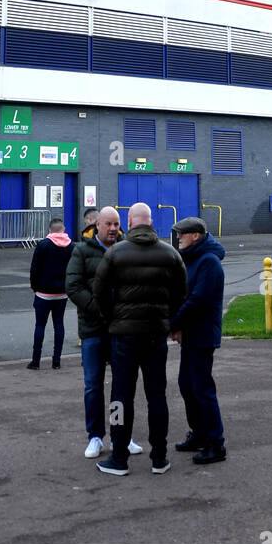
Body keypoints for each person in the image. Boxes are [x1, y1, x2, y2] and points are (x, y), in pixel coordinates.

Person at [92, 201, 187, 477]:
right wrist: (167, 320)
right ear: (151, 223)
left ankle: (119, 457)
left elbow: (99, 291)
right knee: (157, 396)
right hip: (155, 335)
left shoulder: (115, 254)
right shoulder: (170, 254)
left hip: (123, 337)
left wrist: (112, 318)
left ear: (129, 224)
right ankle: (160, 457)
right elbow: (181, 292)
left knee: (120, 397)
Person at [65, 206, 145, 460]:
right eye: (108, 224)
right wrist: (99, 309)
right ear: (96, 225)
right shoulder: (81, 250)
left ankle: (121, 435)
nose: (113, 229)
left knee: (121, 387)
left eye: (116, 224)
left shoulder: (126, 249)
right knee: (93, 386)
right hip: (93, 330)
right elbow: (73, 286)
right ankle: (95, 436)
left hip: (121, 330)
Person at [169, 216, 226, 465]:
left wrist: (172, 324)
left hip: (202, 334)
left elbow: (198, 301)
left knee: (202, 389)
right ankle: (200, 434)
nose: (178, 237)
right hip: (191, 333)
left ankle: (216, 443)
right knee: (186, 385)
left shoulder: (209, 262)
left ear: (196, 236)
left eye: (182, 233)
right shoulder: (193, 259)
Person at [27, 218, 73, 370]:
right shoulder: (71, 246)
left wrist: (35, 287)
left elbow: (34, 269)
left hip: (43, 293)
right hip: (62, 293)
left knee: (40, 325)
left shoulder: (43, 245)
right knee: (59, 325)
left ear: (50, 230)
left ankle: (35, 361)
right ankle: (56, 361)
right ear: (63, 229)